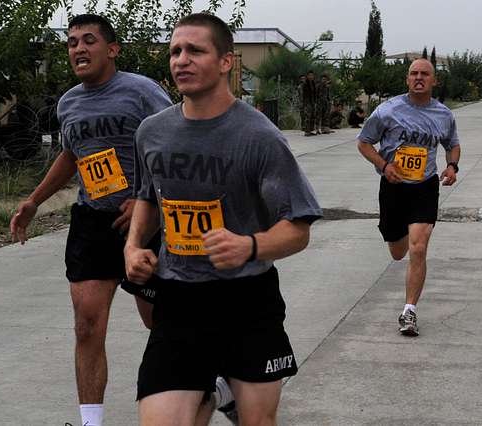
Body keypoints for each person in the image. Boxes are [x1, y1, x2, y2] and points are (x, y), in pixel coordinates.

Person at [124, 13, 322, 426]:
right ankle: (213, 392)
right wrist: (134, 245)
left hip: (247, 300)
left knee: (256, 421)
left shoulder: (259, 137)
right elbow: (147, 196)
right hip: (179, 298)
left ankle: (220, 390)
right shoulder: (151, 132)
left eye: (195, 50)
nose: (181, 60)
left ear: (226, 62)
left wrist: (249, 246)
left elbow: (298, 226)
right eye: (176, 51)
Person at [8, 14, 172, 426]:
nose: (78, 49)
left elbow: (174, 140)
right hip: (92, 221)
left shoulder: (141, 91)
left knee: (161, 322)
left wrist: (144, 197)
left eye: (88, 41)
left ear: (112, 49)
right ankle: (90, 422)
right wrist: (34, 201)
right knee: (86, 325)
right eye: (71, 43)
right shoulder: (69, 102)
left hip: (145, 223)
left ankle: (208, 381)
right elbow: (71, 156)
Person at [357, 59, 460, 336]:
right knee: (398, 250)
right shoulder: (387, 110)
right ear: (406, 80)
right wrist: (383, 165)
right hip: (393, 185)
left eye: (425, 74)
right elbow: (364, 143)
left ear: (434, 81)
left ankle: (409, 311)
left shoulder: (443, 114)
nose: (419, 78)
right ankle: (397, 234)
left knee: (418, 248)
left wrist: (452, 166)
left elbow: (452, 144)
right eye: (414, 73)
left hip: (425, 186)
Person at [302, 70, 317, 136]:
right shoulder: (305, 84)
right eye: (309, 75)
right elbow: (304, 95)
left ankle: (311, 130)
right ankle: (307, 131)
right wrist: (306, 103)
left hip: (312, 102)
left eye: (312, 75)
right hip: (307, 102)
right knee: (308, 116)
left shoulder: (313, 83)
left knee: (312, 116)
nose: (311, 77)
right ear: (307, 76)